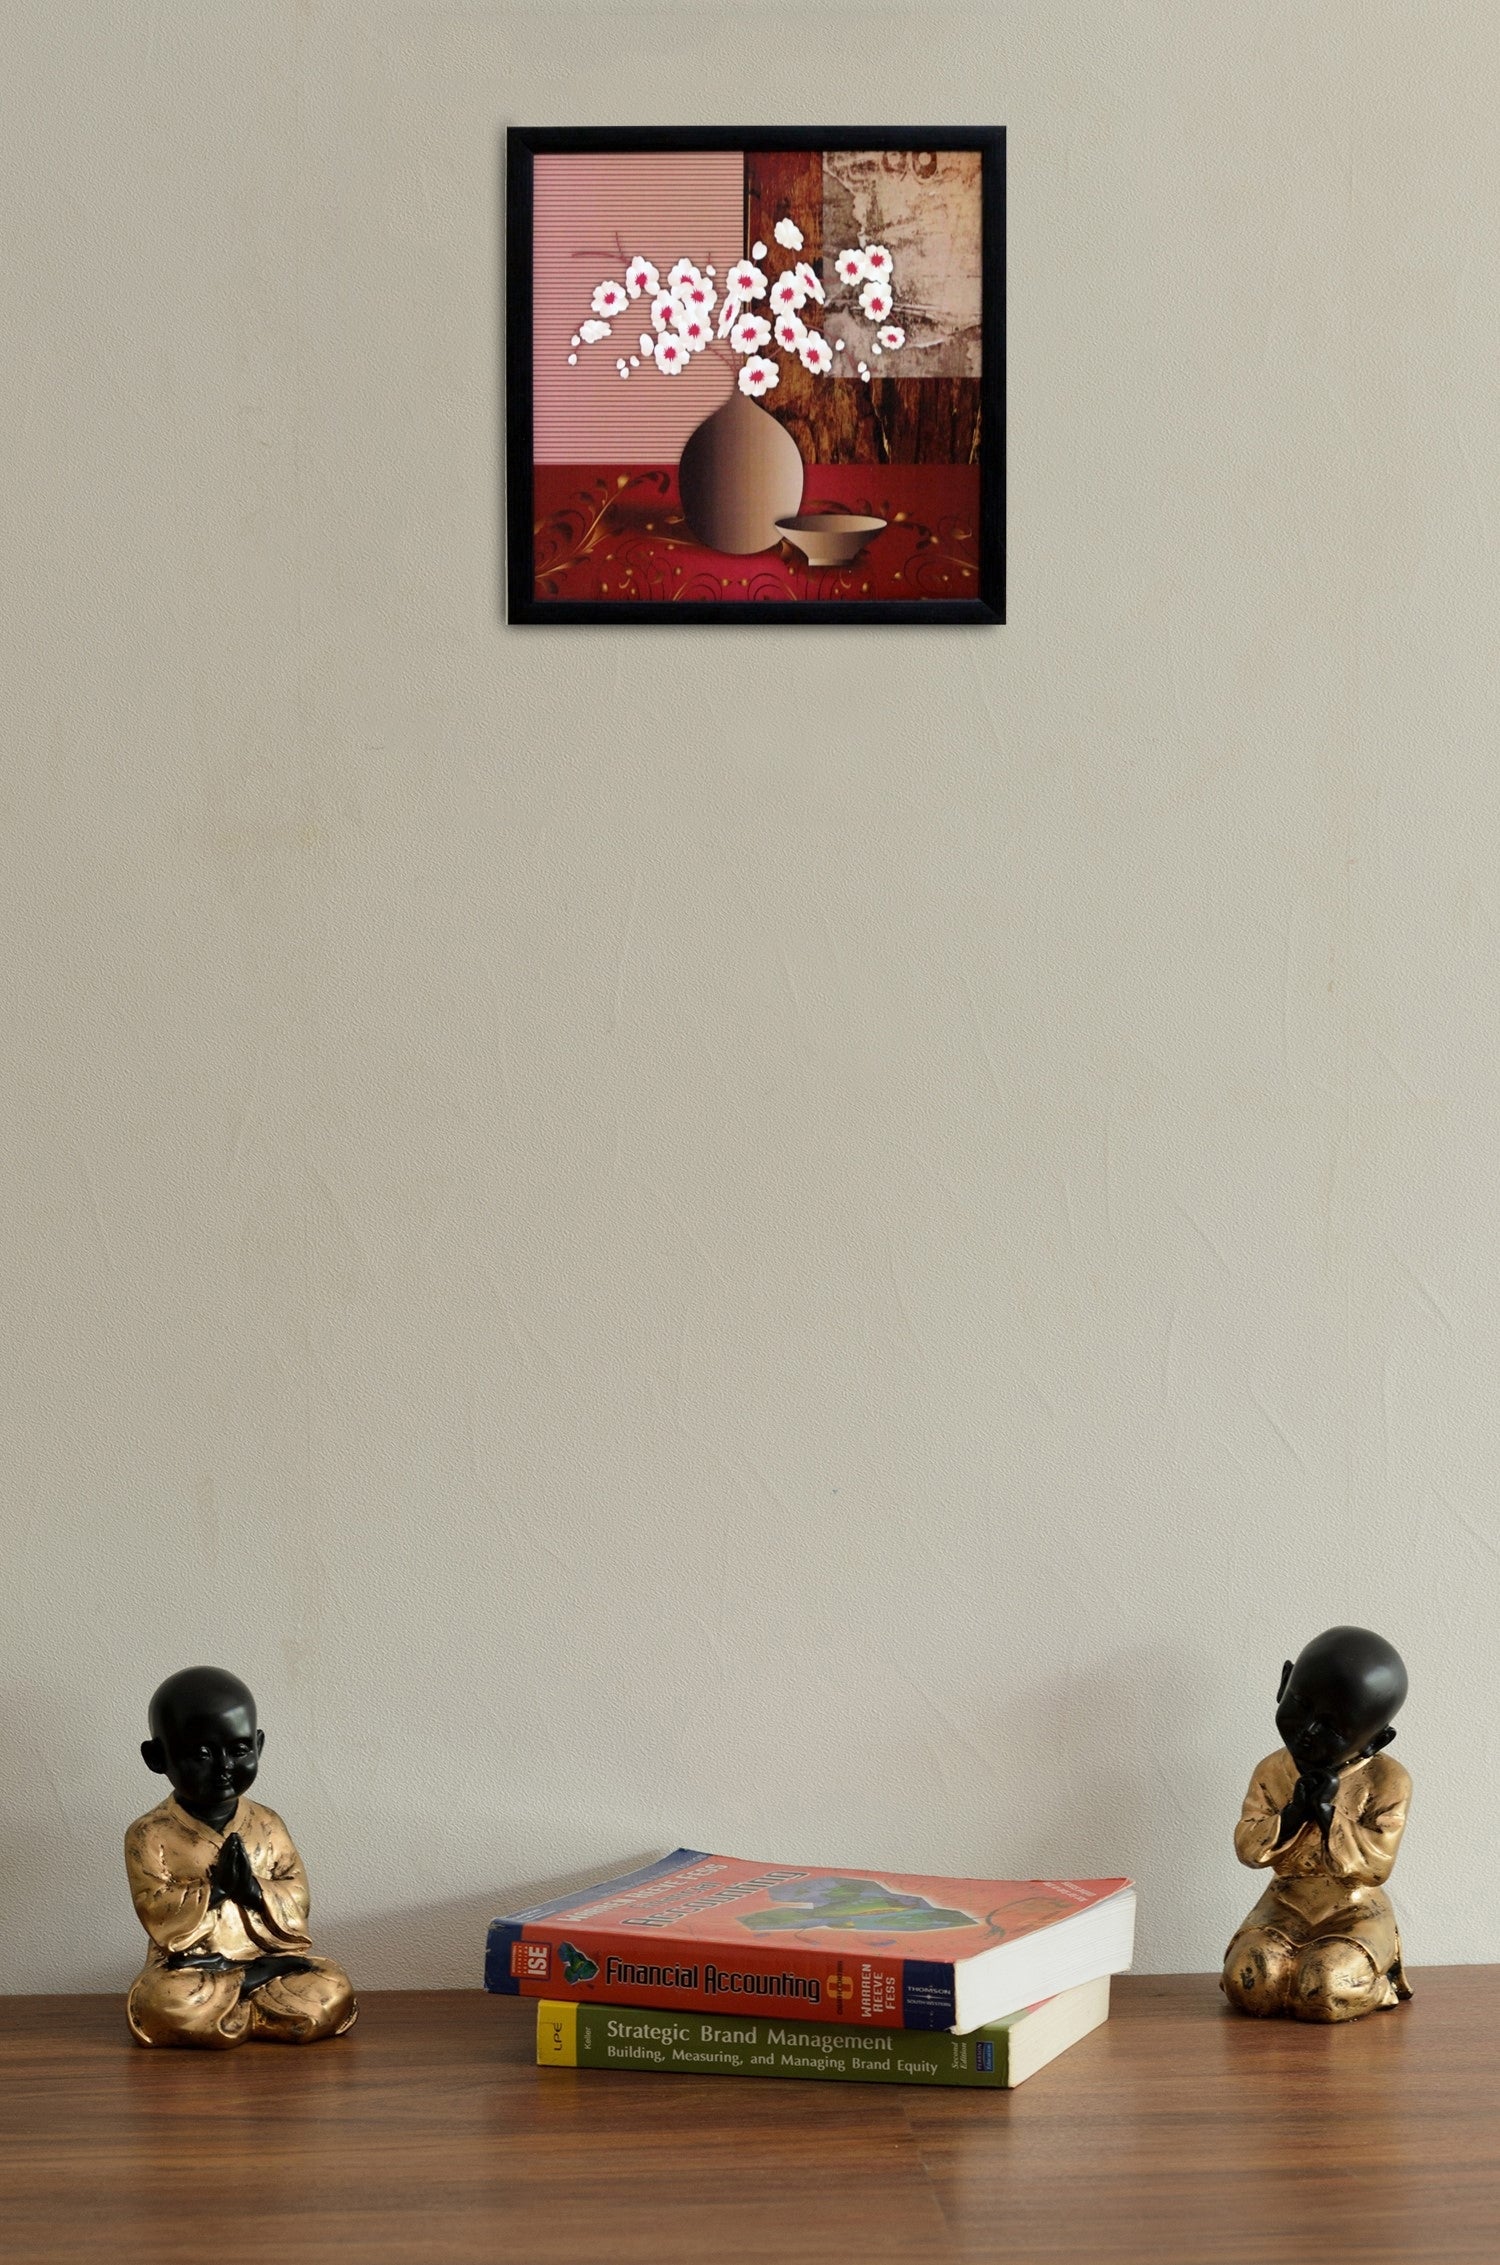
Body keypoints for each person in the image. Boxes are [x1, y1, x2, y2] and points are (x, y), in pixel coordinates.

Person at [124, 1665, 356, 2048]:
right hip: (192, 1967)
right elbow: (154, 1905)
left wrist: (251, 1889)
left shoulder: (267, 1823)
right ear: (156, 1757)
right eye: (202, 1754)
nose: (224, 1767)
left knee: (333, 1987)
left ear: (259, 1745)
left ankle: (241, 1995)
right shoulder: (150, 1833)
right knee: (161, 2001)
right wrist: (215, 1890)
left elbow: (297, 1893)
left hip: (266, 1957)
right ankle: (250, 1987)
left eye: (239, 1750)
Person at [1221, 1626, 1411, 2023]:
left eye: (1333, 1729)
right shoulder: (1272, 1770)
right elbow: (1249, 1848)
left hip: (1354, 1911)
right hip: (1283, 1904)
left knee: (1323, 1988)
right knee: (1249, 1982)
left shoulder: (1386, 1780)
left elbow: (1376, 1866)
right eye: (1301, 1705)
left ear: (1376, 1740)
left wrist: (1327, 1812)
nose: (1307, 1732)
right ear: (1284, 1682)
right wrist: (1294, 1813)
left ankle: (1380, 1984)